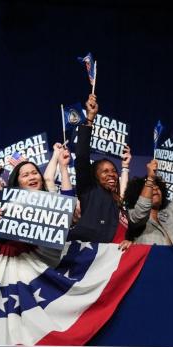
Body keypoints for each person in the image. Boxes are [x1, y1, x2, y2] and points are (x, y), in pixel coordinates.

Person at [67, 94, 136, 249]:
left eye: (113, 170)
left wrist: (130, 241)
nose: (111, 174)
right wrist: (89, 120)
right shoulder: (89, 190)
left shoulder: (121, 202)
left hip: (113, 260)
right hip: (87, 258)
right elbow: (82, 157)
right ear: (94, 176)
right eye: (104, 171)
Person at [122, 140, 173, 246]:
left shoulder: (169, 215)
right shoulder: (133, 215)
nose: (155, 189)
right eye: (151, 188)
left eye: (157, 187)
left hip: (172, 262)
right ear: (139, 195)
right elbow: (141, 211)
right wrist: (150, 178)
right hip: (149, 262)